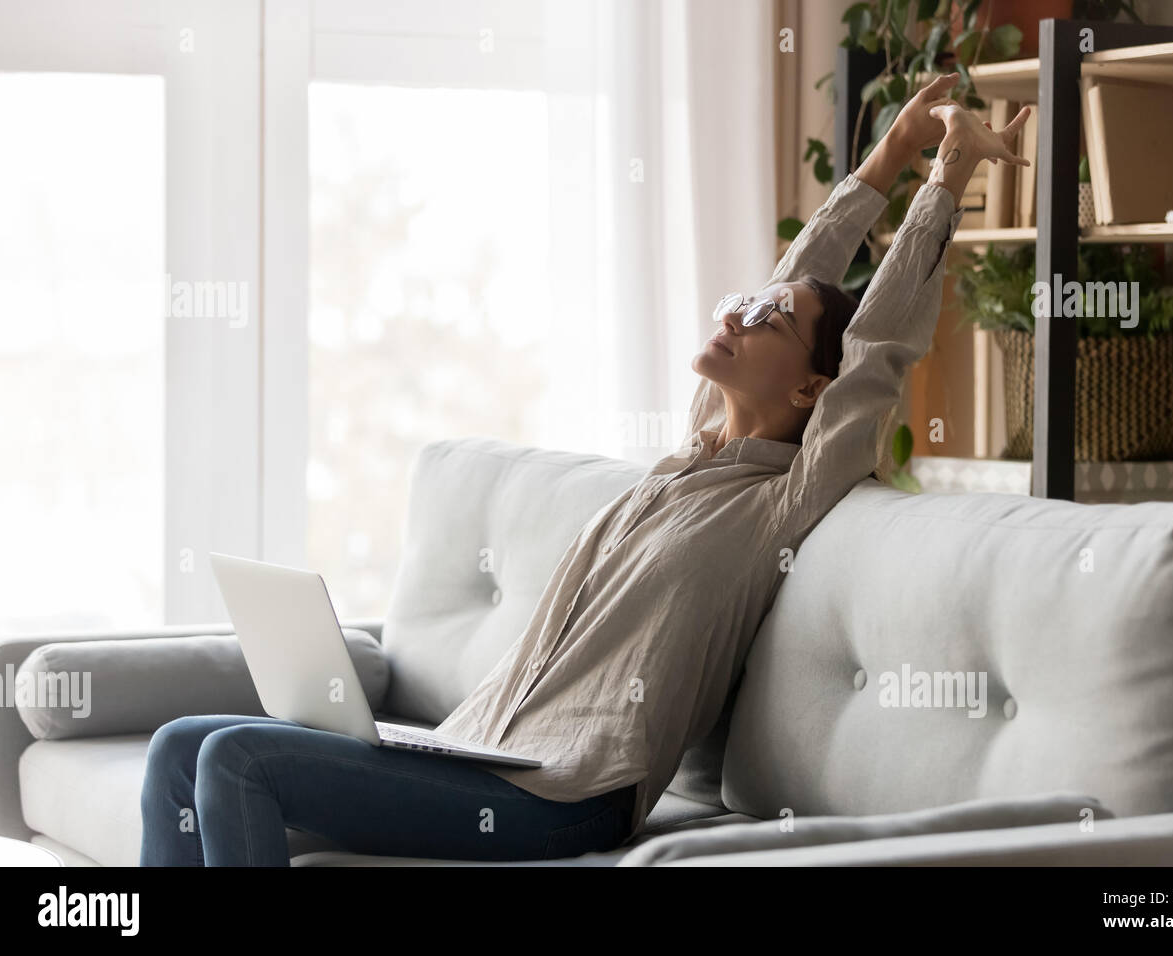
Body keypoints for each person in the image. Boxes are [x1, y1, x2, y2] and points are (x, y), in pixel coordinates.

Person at [139, 73, 1030, 866]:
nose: (743, 312)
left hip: (563, 797)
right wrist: (892, 151)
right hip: (480, 752)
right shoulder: (684, 460)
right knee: (180, 744)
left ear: (809, 385)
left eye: (772, 319)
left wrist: (947, 175)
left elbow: (873, 347)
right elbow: (803, 272)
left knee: (235, 759)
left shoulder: (781, 497)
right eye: (744, 303)